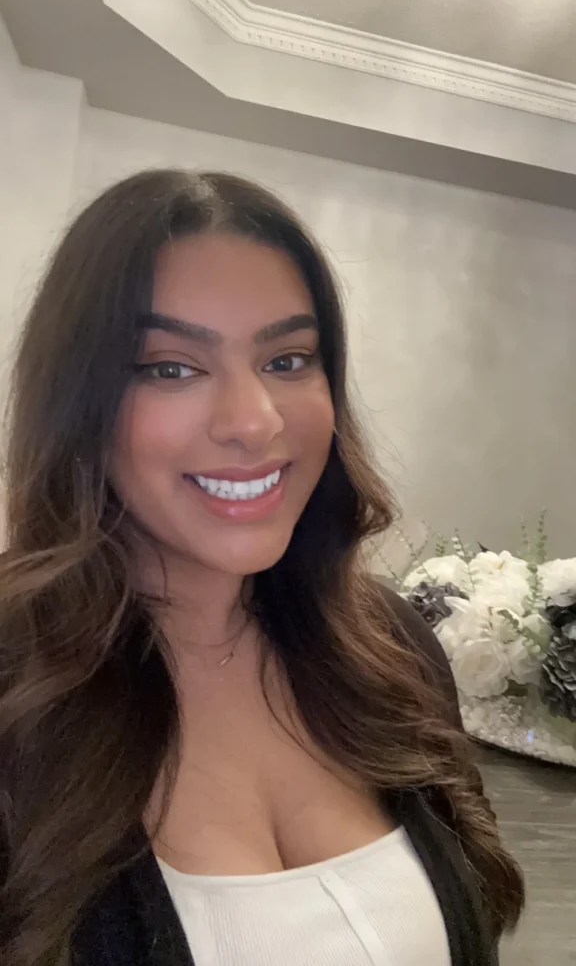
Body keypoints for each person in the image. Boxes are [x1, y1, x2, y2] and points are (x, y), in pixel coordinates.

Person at [0, 170, 523, 966]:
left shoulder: (393, 648)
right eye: (170, 367)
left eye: (287, 359)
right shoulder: (18, 682)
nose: (254, 421)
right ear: (80, 401)